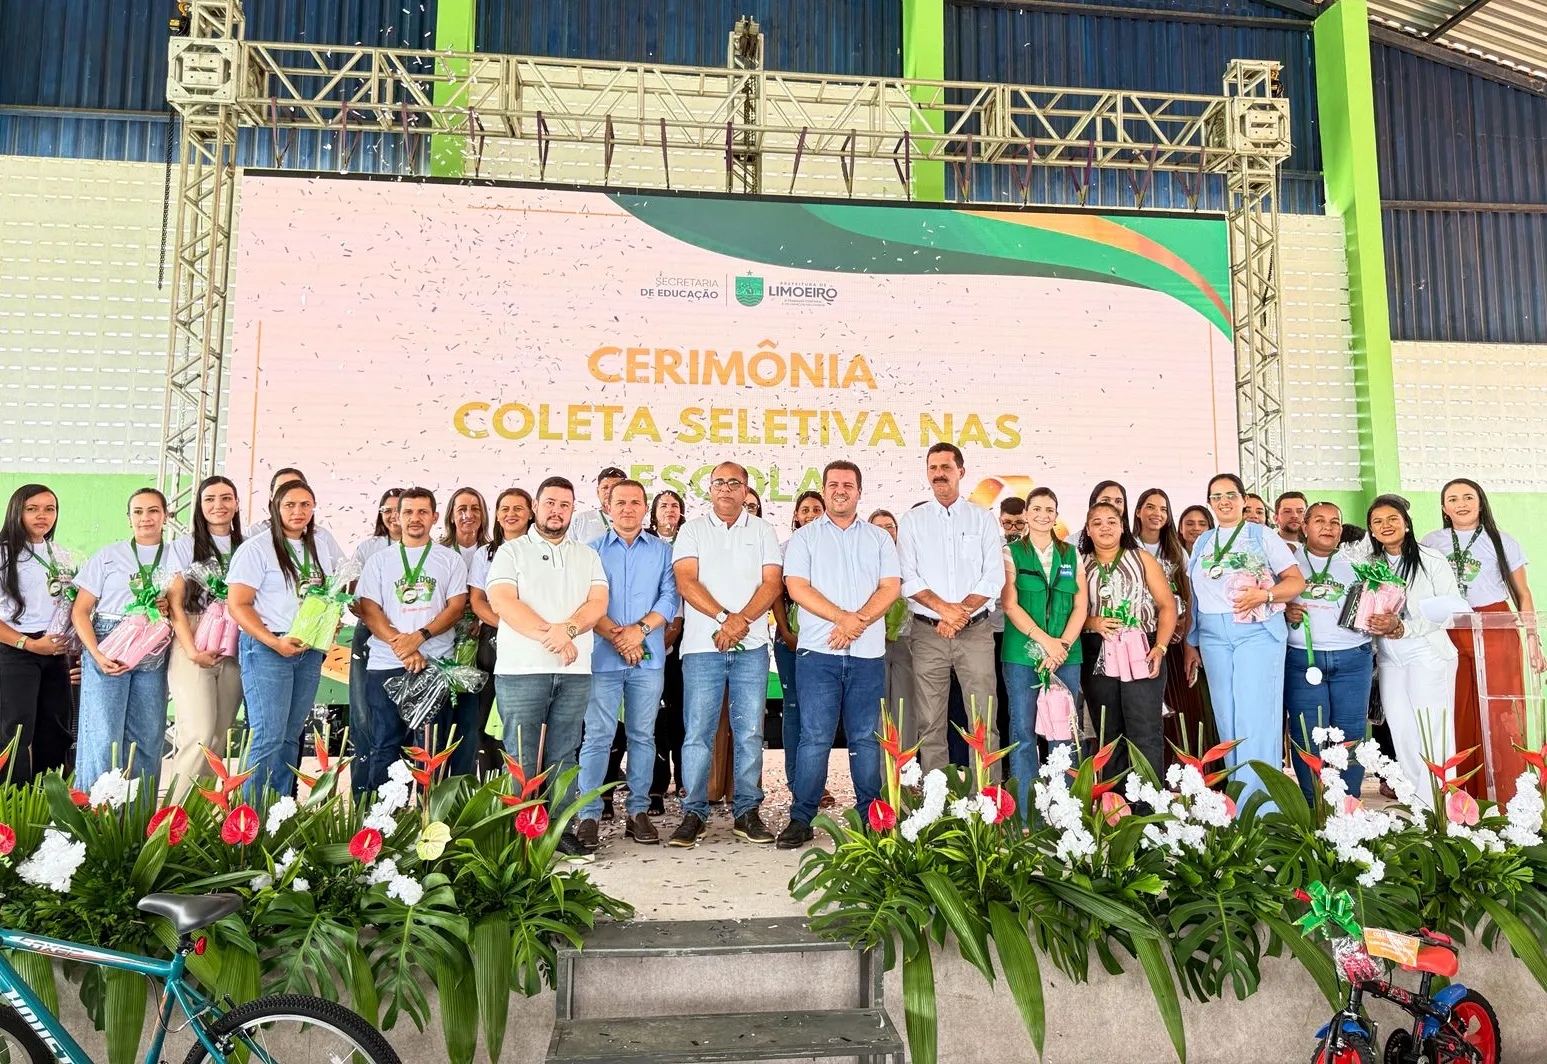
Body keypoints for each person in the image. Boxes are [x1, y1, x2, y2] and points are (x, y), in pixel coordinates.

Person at [485, 476, 609, 859]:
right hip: (522, 671)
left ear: (572, 511)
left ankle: (559, 831)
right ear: (535, 507)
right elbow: (503, 602)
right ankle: (518, 834)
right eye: (550, 503)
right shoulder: (511, 552)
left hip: (574, 671)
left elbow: (597, 603)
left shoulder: (586, 555)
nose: (557, 511)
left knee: (564, 754)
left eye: (565, 505)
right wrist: (552, 636)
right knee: (521, 757)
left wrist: (567, 631)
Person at [778, 461, 900, 848]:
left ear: (859, 491)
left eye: (848, 484)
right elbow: (797, 588)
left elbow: (890, 587)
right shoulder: (805, 538)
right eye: (833, 484)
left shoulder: (879, 539)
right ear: (825, 489)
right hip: (818, 654)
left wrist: (856, 622)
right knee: (814, 738)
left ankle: (870, 818)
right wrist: (842, 619)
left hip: (867, 655)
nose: (840, 490)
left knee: (866, 739)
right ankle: (801, 818)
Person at [669, 461, 783, 847]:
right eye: (719, 482)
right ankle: (694, 813)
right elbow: (686, 581)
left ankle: (747, 811)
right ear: (710, 489)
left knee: (750, 732)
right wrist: (724, 618)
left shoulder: (763, 531)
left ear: (746, 490)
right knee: (698, 733)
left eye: (735, 483)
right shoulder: (692, 530)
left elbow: (772, 583)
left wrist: (741, 622)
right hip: (703, 647)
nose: (726, 489)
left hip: (751, 647)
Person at [1182, 474, 1304, 801]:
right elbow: (1194, 595)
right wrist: (1191, 641)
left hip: (1256, 632)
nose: (1224, 501)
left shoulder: (1262, 535)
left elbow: (1295, 581)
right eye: (1216, 496)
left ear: (1243, 499)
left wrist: (1265, 595)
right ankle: (1238, 802)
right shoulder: (1203, 541)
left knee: (1255, 716)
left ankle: (1263, 806)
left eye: (1230, 495)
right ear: (1210, 502)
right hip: (1212, 635)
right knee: (1227, 717)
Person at [1422, 478, 1541, 804]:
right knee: (1457, 707)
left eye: (1468, 497)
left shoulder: (1502, 541)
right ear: (1444, 507)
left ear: (1480, 502)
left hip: (1495, 627)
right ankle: (1460, 798)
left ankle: (1508, 798)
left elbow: (1523, 593)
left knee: (1501, 711)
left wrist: (1533, 638)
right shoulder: (1431, 542)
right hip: (1451, 627)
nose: (1461, 504)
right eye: (1452, 499)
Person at [577, 480, 679, 851]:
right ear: (608, 507)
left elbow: (669, 598)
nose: (627, 508)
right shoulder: (590, 551)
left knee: (642, 736)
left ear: (644, 507)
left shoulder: (663, 551)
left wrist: (639, 632)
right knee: (598, 736)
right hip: (603, 656)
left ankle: (637, 811)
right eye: (620, 502)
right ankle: (589, 815)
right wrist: (619, 638)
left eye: (635, 502)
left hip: (647, 658)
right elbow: (586, 600)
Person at [227, 480, 342, 795]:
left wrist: (330, 621)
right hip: (269, 648)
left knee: (291, 736)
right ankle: (249, 814)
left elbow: (328, 594)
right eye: (290, 504)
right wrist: (272, 641)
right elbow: (238, 604)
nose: (298, 511)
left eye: (305, 505)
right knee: (268, 735)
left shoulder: (319, 547)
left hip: (307, 649)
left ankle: (279, 809)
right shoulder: (256, 548)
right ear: (275, 508)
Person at [898, 443, 1005, 771]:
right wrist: (945, 610)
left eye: (945, 467)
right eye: (933, 468)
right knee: (929, 723)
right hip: (928, 635)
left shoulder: (982, 519)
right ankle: (937, 797)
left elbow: (993, 577)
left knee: (984, 722)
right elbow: (908, 578)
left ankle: (986, 798)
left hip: (976, 632)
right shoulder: (913, 521)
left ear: (961, 471)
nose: (939, 474)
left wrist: (958, 615)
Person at [353, 488, 468, 793]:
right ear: (397, 517)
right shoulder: (379, 561)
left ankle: (427, 815)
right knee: (385, 746)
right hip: (385, 664)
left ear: (434, 517)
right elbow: (369, 609)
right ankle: (381, 818)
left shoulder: (450, 560)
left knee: (430, 751)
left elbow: (456, 608)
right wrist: (402, 646)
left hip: (434, 666)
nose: (415, 518)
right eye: (408, 512)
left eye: (422, 512)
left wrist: (419, 637)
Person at [72, 488, 173, 787]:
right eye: (138, 512)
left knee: (147, 736)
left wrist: (166, 606)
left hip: (153, 645)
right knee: (104, 736)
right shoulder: (108, 555)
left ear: (166, 516)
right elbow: (80, 611)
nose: (145, 518)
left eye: (153, 510)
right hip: (110, 641)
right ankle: (95, 812)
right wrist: (96, 654)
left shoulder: (176, 555)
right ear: (129, 518)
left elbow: (184, 604)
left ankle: (139, 814)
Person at [1366, 494, 1462, 810]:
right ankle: (1416, 805)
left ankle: (1440, 809)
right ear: (1371, 530)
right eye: (1377, 521)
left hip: (1426, 652)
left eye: (1392, 519)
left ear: (1406, 523)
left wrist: (1405, 627)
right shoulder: (1369, 565)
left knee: (1432, 731)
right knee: (1402, 730)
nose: (1386, 525)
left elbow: (1449, 610)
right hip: (1389, 657)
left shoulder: (1431, 559)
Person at [1000, 487, 1088, 810]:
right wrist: (1046, 642)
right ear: (1026, 514)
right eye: (1036, 509)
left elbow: (1081, 605)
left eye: (1049, 509)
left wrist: (1061, 645)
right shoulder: (1011, 553)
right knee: (1023, 731)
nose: (1042, 515)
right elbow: (1010, 604)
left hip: (1066, 656)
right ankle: (1027, 813)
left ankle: (1064, 812)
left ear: (1056, 515)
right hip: (1022, 655)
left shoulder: (1071, 554)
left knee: (1064, 733)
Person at [1283, 502, 1372, 803]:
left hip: (1352, 660)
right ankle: (1314, 808)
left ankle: (1348, 806)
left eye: (1335, 522)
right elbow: (1269, 600)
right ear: (1304, 526)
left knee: (1351, 734)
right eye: (1319, 520)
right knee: (1307, 735)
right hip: (1302, 660)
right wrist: (1283, 609)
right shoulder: (1287, 562)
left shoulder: (1356, 562)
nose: (1328, 527)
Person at [1080, 503, 1175, 780]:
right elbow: (1068, 613)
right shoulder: (1079, 563)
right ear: (1088, 530)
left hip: (1141, 647)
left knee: (1144, 727)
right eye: (1097, 523)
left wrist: (1160, 647)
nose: (1105, 528)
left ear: (1122, 527)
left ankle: (1149, 800)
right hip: (1097, 650)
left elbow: (1167, 606)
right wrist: (1092, 622)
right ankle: (1116, 801)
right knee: (1108, 730)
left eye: (1111, 521)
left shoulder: (1141, 558)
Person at [165, 476, 246, 792]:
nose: (218, 505)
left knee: (217, 737)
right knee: (197, 733)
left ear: (236, 504)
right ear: (199, 506)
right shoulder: (183, 547)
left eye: (226, 498)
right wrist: (191, 650)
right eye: (210, 499)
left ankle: (201, 814)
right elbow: (175, 603)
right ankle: (173, 815)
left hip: (235, 641)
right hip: (194, 638)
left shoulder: (248, 546)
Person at [0, 485, 75, 782]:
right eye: (32, 509)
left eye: (49, 509)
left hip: (55, 651)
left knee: (56, 731)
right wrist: (29, 645)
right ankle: (12, 805)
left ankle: (50, 800)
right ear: (16, 511)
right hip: (15, 651)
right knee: (14, 734)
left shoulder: (62, 555)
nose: (42, 515)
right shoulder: (4, 553)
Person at [1133, 487, 1213, 761]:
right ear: (1138, 512)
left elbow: (1190, 598)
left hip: (1174, 643)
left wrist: (1186, 635)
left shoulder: (1177, 551)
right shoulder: (1128, 548)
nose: (1157, 514)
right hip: (1138, 643)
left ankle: (1185, 774)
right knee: (1145, 711)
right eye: (1150, 507)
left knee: (1182, 711)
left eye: (1163, 509)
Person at [469, 488, 534, 775]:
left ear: (531, 513)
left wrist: (527, 628)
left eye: (518, 508)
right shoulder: (485, 554)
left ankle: (525, 782)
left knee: (526, 713)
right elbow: (477, 601)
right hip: (494, 641)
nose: (511, 514)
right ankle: (493, 782)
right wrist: (510, 624)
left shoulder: (542, 551)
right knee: (487, 714)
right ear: (496, 515)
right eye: (505, 509)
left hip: (534, 643)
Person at [346, 488, 403, 774]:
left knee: (405, 717)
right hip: (369, 633)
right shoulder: (369, 548)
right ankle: (363, 790)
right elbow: (353, 596)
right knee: (364, 712)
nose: (394, 516)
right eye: (386, 510)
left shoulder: (429, 549)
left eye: (399, 509)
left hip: (413, 638)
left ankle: (403, 788)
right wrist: (378, 618)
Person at [439, 487, 490, 776]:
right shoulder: (439, 552)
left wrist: (482, 620)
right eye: (461, 509)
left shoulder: (494, 551)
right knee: (441, 720)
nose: (468, 515)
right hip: (443, 645)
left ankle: (464, 784)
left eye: (475, 509)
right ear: (451, 515)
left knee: (472, 722)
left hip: (480, 645)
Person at [774, 490, 825, 767]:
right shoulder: (784, 549)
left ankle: (813, 780)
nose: (811, 515)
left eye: (817, 510)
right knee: (793, 707)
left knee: (818, 711)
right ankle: (795, 778)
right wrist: (786, 632)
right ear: (796, 515)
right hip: (790, 639)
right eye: (805, 510)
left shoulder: (832, 547)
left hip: (825, 639)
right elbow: (775, 595)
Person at [647, 490, 687, 815]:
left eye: (675, 505)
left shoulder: (689, 542)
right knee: (655, 720)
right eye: (664, 505)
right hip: (647, 638)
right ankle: (656, 787)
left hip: (682, 641)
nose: (670, 510)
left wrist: (670, 635)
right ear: (653, 513)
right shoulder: (646, 546)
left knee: (680, 716)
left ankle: (686, 781)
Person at [869, 509, 914, 737]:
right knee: (878, 705)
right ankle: (879, 759)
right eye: (878, 527)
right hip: (873, 640)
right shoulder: (863, 560)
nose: (886, 532)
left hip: (906, 640)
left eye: (890, 527)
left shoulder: (908, 559)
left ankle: (905, 758)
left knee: (906, 704)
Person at [569, 467, 626, 546]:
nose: (609, 491)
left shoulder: (639, 521)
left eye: (615, 487)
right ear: (597, 492)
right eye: (605, 487)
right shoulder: (580, 519)